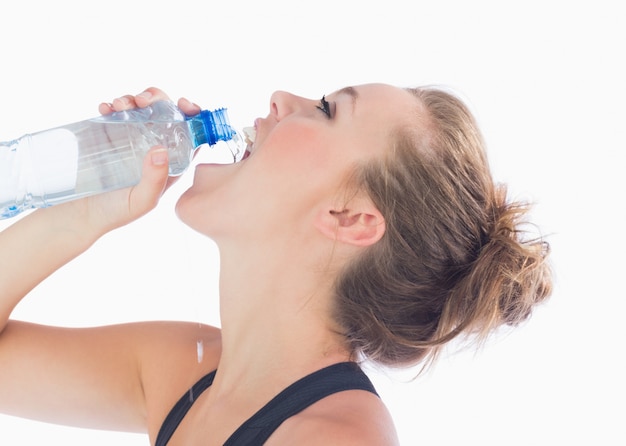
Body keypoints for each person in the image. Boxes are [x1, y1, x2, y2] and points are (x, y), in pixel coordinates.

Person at [0, 84, 552, 445]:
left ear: (350, 217)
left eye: (327, 110)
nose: (280, 99)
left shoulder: (336, 438)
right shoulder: (184, 373)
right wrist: (80, 213)